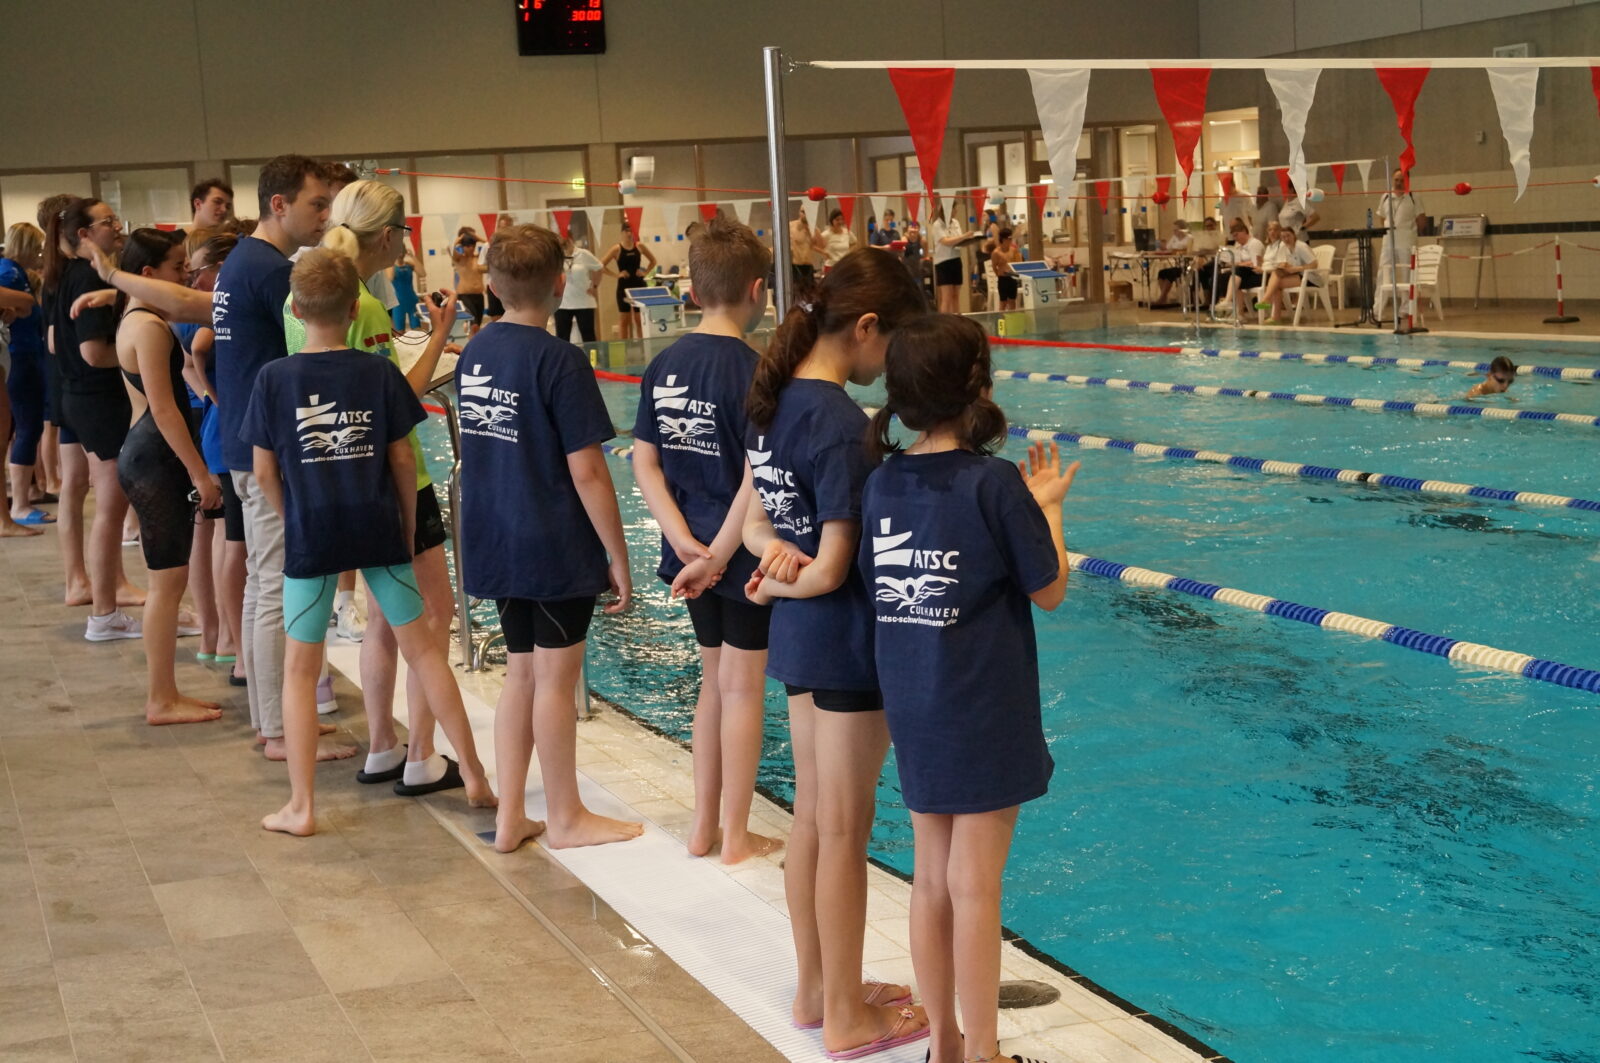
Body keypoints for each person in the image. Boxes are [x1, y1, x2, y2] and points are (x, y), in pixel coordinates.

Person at [861, 314, 1076, 1063]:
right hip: (983, 706)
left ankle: (945, 1047)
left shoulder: (883, 481)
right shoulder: (994, 483)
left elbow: (879, 588)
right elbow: (1049, 589)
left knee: (932, 879)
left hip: (914, 701)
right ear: (976, 386)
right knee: (976, 885)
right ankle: (984, 1055)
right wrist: (1049, 506)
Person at [741, 248, 931, 1057]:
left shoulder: (772, 401)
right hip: (848, 644)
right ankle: (850, 1019)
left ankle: (819, 988)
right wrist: (783, 580)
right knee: (845, 830)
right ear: (864, 328)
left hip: (799, 648)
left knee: (813, 822)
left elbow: (757, 524)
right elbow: (831, 568)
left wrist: (771, 562)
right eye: (893, 346)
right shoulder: (840, 426)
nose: (893, 369)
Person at [242, 249, 495, 836]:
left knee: (302, 672)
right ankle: (478, 779)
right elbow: (402, 457)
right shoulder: (377, 373)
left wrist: (295, 516)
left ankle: (301, 807)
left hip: (313, 534)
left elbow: (263, 472)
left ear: (298, 311)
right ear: (355, 307)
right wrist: (404, 526)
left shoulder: (274, 379)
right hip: (379, 526)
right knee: (427, 651)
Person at [454, 222, 641, 852]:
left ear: (492, 286)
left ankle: (511, 817)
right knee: (556, 682)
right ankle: (564, 817)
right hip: (552, 544)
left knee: (522, 676)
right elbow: (587, 470)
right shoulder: (560, 360)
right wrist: (618, 556)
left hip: (495, 539)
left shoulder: (475, 351)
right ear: (562, 284)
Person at [284, 179, 467, 793]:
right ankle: (423, 756)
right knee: (431, 617)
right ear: (386, 236)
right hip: (393, 480)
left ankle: (385, 747)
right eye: (404, 232)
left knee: (385, 620)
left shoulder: (304, 297)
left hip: (331, 483)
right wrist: (442, 335)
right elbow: (395, 400)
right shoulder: (359, 304)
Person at [631, 216, 779, 865]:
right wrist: (719, 551)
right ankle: (737, 836)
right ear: (757, 290)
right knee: (743, 687)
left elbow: (643, 460)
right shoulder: (756, 370)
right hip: (738, 557)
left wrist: (682, 540)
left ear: (691, 291)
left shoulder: (664, 364)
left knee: (711, 680)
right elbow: (756, 472)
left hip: (689, 554)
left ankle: (702, 826)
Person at [114, 228, 224, 725]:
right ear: (148, 275)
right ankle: (160, 698)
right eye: (178, 266)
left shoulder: (134, 318)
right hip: (155, 458)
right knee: (165, 583)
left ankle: (167, 692)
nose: (185, 275)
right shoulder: (151, 329)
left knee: (168, 579)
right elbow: (164, 410)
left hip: (146, 455)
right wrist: (200, 474)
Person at [44, 197, 142, 637]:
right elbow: (92, 351)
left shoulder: (64, 273)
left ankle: (97, 590)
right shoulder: (85, 274)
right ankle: (105, 608)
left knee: (92, 496)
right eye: (108, 222)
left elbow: (54, 342)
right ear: (84, 234)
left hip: (75, 396)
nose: (117, 227)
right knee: (110, 502)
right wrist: (137, 353)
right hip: (97, 400)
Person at [183, 230, 246, 679]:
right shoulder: (214, 304)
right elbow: (200, 350)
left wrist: (211, 394)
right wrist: (223, 399)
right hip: (224, 433)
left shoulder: (186, 305)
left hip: (212, 429)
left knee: (215, 534)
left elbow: (191, 359)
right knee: (233, 539)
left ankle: (218, 634)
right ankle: (229, 638)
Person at [2, 223, 52, 527]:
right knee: (27, 427)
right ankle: (19, 504)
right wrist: (23, 304)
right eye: (36, 246)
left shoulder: (15, 273)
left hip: (25, 356)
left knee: (27, 427)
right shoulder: (8, 273)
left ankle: (27, 493)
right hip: (19, 358)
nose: (39, 253)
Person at [601, 219, 656, 341]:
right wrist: (616, 275)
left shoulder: (639, 246)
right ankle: (624, 349)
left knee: (639, 320)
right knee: (624, 320)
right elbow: (601, 265)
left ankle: (643, 348)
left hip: (638, 286)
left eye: (631, 231)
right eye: (627, 231)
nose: (629, 234)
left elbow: (653, 260)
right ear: (622, 232)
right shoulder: (617, 248)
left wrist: (645, 272)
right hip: (623, 287)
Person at [1254, 227, 1320, 323]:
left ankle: (1268, 303)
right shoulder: (1285, 247)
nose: (1286, 239)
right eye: (1283, 237)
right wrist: (1284, 265)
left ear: (1294, 235)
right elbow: (1286, 262)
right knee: (1276, 275)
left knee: (1276, 284)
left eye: (1288, 236)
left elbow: (1314, 264)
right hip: (1297, 275)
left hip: (1310, 277)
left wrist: (1296, 268)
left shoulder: (1301, 246)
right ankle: (1273, 312)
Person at [1376, 167, 1424, 292]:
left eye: (1402, 180)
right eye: (1396, 180)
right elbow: (1382, 217)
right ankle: (1377, 309)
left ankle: (1405, 309)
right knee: (1383, 274)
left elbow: (1421, 221)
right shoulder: (1385, 197)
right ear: (1392, 180)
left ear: (1407, 181)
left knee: (1407, 276)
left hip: (1406, 243)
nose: (1398, 183)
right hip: (1388, 243)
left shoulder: (1414, 197)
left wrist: (1409, 233)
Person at [555, 235, 603, 343]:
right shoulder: (557, 255)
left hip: (584, 302)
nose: (564, 244)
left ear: (571, 239)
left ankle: (592, 359)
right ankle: (564, 359)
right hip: (562, 303)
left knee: (588, 336)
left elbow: (599, 268)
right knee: (562, 337)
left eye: (565, 241)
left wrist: (594, 286)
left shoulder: (583, 254)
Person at [927, 203, 966, 315]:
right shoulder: (937, 224)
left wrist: (967, 239)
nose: (956, 211)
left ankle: (957, 321)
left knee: (956, 295)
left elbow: (959, 240)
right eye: (954, 208)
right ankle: (945, 323)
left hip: (956, 259)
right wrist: (964, 237)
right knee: (946, 296)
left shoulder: (956, 222)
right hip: (943, 262)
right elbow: (945, 241)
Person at [1151, 219, 1193, 308]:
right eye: (1173, 230)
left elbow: (1185, 250)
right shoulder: (1174, 238)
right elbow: (1168, 248)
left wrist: (1173, 250)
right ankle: (1164, 297)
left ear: (1183, 229)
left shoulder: (1189, 238)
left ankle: (1161, 298)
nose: (1174, 232)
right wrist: (1159, 245)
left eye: (1176, 230)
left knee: (1171, 274)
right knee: (1162, 273)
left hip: (1187, 265)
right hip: (1178, 264)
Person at [451, 231, 487, 334]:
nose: (470, 248)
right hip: (465, 296)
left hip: (479, 296)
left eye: (473, 245)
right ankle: (472, 346)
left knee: (478, 324)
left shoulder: (478, 259)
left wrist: (479, 238)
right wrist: (456, 243)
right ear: (463, 246)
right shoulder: (460, 259)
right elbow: (454, 253)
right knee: (473, 324)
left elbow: (492, 248)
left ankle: (474, 344)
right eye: (467, 246)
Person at [386, 248, 425, 333]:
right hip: (398, 303)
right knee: (400, 332)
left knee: (417, 331)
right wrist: (393, 259)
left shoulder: (409, 265)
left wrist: (412, 256)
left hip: (412, 301)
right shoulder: (391, 267)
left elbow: (423, 273)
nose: (400, 254)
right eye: (398, 252)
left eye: (402, 251)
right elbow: (390, 278)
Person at [990, 228, 1021, 311]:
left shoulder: (1013, 250)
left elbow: (1017, 263)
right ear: (1003, 239)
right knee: (1003, 303)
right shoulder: (996, 253)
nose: (1011, 241)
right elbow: (994, 266)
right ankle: (1001, 323)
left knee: (1012, 301)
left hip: (1012, 278)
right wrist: (999, 275)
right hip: (1003, 279)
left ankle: (1012, 321)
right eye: (1009, 239)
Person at [789, 206, 818, 290]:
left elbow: (822, 245)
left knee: (810, 294)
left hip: (809, 266)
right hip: (796, 265)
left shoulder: (813, 228)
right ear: (799, 212)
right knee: (796, 294)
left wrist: (810, 230)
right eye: (803, 212)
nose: (805, 215)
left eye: (807, 213)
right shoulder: (791, 226)